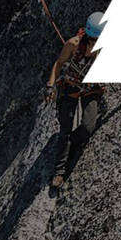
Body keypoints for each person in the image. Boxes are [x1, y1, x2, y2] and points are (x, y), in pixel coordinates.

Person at [44, 12, 106, 189]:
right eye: (92, 39)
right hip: (70, 87)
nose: (94, 43)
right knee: (65, 129)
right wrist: (50, 85)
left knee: (87, 127)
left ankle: (70, 144)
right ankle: (59, 171)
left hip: (90, 89)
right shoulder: (73, 44)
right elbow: (59, 63)